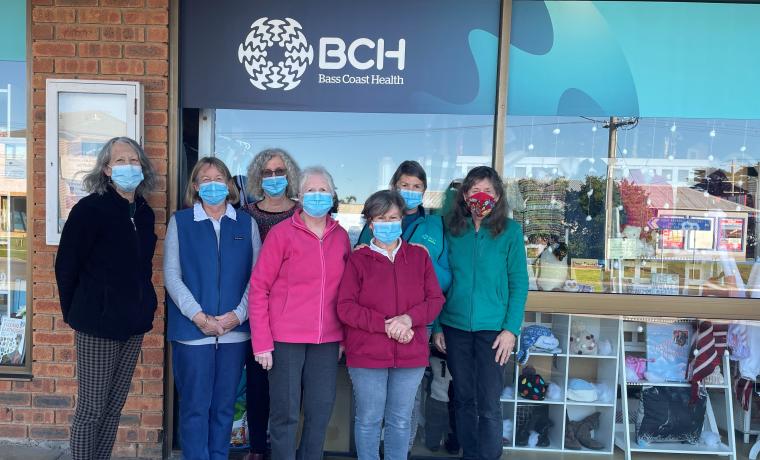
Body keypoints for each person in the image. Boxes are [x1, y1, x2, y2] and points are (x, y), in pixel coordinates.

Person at [55, 137, 158, 460]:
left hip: (133, 324)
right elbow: (66, 266)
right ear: (107, 169)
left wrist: (146, 306)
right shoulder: (90, 210)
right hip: (97, 325)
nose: (129, 166)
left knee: (114, 407)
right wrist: (76, 312)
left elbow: (142, 268)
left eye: (134, 160)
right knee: (91, 409)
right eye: (121, 161)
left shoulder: (144, 213)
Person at [249, 166, 350, 460]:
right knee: (285, 415)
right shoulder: (281, 234)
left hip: (327, 340)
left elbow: (346, 292)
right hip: (286, 340)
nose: (316, 195)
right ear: (299, 196)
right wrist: (262, 342)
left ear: (332, 196)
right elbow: (259, 288)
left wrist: (343, 337)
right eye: (310, 190)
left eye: (322, 190)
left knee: (320, 413)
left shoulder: (341, 237)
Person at [165, 157, 261, 460]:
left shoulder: (246, 223)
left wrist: (237, 316)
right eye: (205, 179)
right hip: (193, 333)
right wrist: (199, 317)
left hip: (234, 334)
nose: (213, 185)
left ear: (229, 185)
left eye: (219, 178)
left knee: (224, 407)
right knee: (195, 408)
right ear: (195, 186)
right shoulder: (181, 221)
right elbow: (171, 275)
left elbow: (257, 277)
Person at [338, 190, 444, 460]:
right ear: (371, 224)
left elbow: (435, 299)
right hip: (367, 355)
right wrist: (385, 325)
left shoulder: (419, 257)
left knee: (400, 420)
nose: (388, 223)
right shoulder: (358, 259)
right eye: (381, 218)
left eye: (394, 217)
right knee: (369, 420)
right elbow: (346, 307)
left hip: (410, 355)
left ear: (401, 220)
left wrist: (408, 319)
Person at [432, 166, 528, 460]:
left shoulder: (510, 231)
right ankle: (469, 454)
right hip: (455, 327)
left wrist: (511, 330)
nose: (480, 197)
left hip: (494, 331)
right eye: (474, 191)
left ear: (498, 196)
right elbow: (438, 280)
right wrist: (437, 326)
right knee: (462, 398)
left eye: (487, 191)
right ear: (464, 195)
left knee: (488, 402)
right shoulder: (452, 229)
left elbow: (519, 283)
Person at [241, 148, 301, 460]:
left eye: (279, 171)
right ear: (258, 177)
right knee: (257, 382)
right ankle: (257, 447)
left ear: (289, 175)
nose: (274, 178)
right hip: (257, 308)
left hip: (293, 314)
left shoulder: (303, 212)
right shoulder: (246, 213)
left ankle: (284, 447)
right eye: (267, 172)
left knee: (290, 388)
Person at [356, 160, 451, 294]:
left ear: (423, 191)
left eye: (417, 186)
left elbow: (445, 283)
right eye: (405, 185)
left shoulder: (437, 226)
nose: (410, 191)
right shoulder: (375, 223)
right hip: (380, 309)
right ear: (395, 187)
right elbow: (357, 274)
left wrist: (427, 261)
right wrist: (359, 253)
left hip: (421, 311)